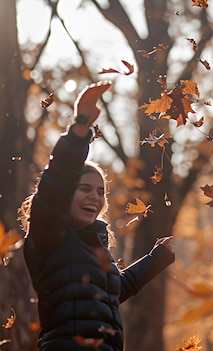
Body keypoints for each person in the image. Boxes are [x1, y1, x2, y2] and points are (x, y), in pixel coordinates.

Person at [18, 81, 175, 351]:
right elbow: (56, 181)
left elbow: (111, 292)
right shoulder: (48, 236)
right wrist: (80, 127)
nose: (94, 196)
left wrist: (156, 259)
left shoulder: (94, 247)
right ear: (66, 193)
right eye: (85, 189)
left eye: (100, 191)